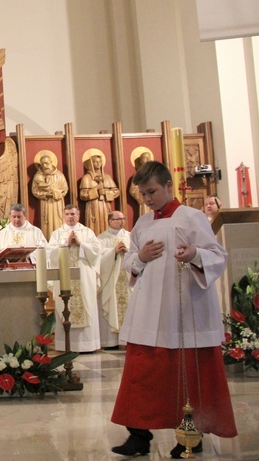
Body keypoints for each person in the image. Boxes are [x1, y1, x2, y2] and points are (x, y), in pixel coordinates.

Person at [111, 161, 237, 457]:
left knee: (186, 376)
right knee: (142, 375)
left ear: (169, 186)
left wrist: (194, 253)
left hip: (183, 310)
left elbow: (217, 256)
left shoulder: (192, 218)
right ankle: (139, 436)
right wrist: (139, 257)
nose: (148, 199)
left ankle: (189, 437)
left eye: (152, 191)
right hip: (147, 311)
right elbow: (129, 263)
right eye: (143, 194)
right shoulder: (142, 223)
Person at [48, 204, 102, 352]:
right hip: (64, 276)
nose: (70, 217)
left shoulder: (87, 232)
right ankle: (65, 345)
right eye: (67, 214)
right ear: (63, 216)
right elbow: (49, 253)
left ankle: (88, 345)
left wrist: (80, 244)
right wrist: (65, 244)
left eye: (73, 214)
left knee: (86, 303)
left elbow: (97, 251)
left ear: (78, 216)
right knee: (64, 306)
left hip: (84, 277)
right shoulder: (57, 234)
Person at [96, 211, 130, 350]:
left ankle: (127, 341)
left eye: (123, 218)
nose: (121, 221)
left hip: (127, 279)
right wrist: (113, 252)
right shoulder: (101, 238)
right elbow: (98, 258)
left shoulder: (130, 236)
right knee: (110, 305)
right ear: (110, 221)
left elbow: (137, 253)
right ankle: (110, 342)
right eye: (118, 219)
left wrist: (127, 250)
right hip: (110, 280)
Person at [79, 152, 120, 236]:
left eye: (99, 161)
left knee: (106, 222)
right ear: (91, 163)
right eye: (95, 162)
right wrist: (96, 191)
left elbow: (116, 191)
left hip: (105, 205)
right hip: (93, 206)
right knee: (94, 224)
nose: (98, 164)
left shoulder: (107, 177)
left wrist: (106, 192)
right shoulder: (87, 178)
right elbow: (83, 194)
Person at [31, 153, 69, 240]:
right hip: (46, 203)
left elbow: (65, 189)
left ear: (51, 162)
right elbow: (35, 191)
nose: (45, 166)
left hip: (57, 203)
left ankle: (60, 242)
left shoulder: (59, 175)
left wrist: (57, 193)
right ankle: (47, 242)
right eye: (42, 164)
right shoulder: (38, 176)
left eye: (46, 163)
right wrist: (46, 194)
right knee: (46, 223)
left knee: (58, 222)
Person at [128, 149, 153, 218]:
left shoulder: (157, 174)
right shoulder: (138, 175)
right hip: (145, 202)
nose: (148, 159)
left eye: (149, 157)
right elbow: (133, 190)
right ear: (141, 161)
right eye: (145, 158)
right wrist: (143, 197)